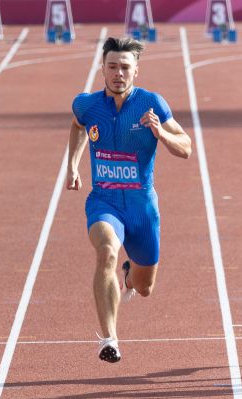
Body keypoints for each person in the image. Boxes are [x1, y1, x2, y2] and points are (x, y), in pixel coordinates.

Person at [66, 37, 192, 363]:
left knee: (144, 286)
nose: (118, 73)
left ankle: (129, 275)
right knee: (106, 251)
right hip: (103, 201)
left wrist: (161, 134)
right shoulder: (86, 104)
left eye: (125, 67)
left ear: (136, 70)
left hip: (142, 207)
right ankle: (109, 338)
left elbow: (186, 147)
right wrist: (72, 165)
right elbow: (78, 127)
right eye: (112, 66)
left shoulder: (152, 104)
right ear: (102, 68)